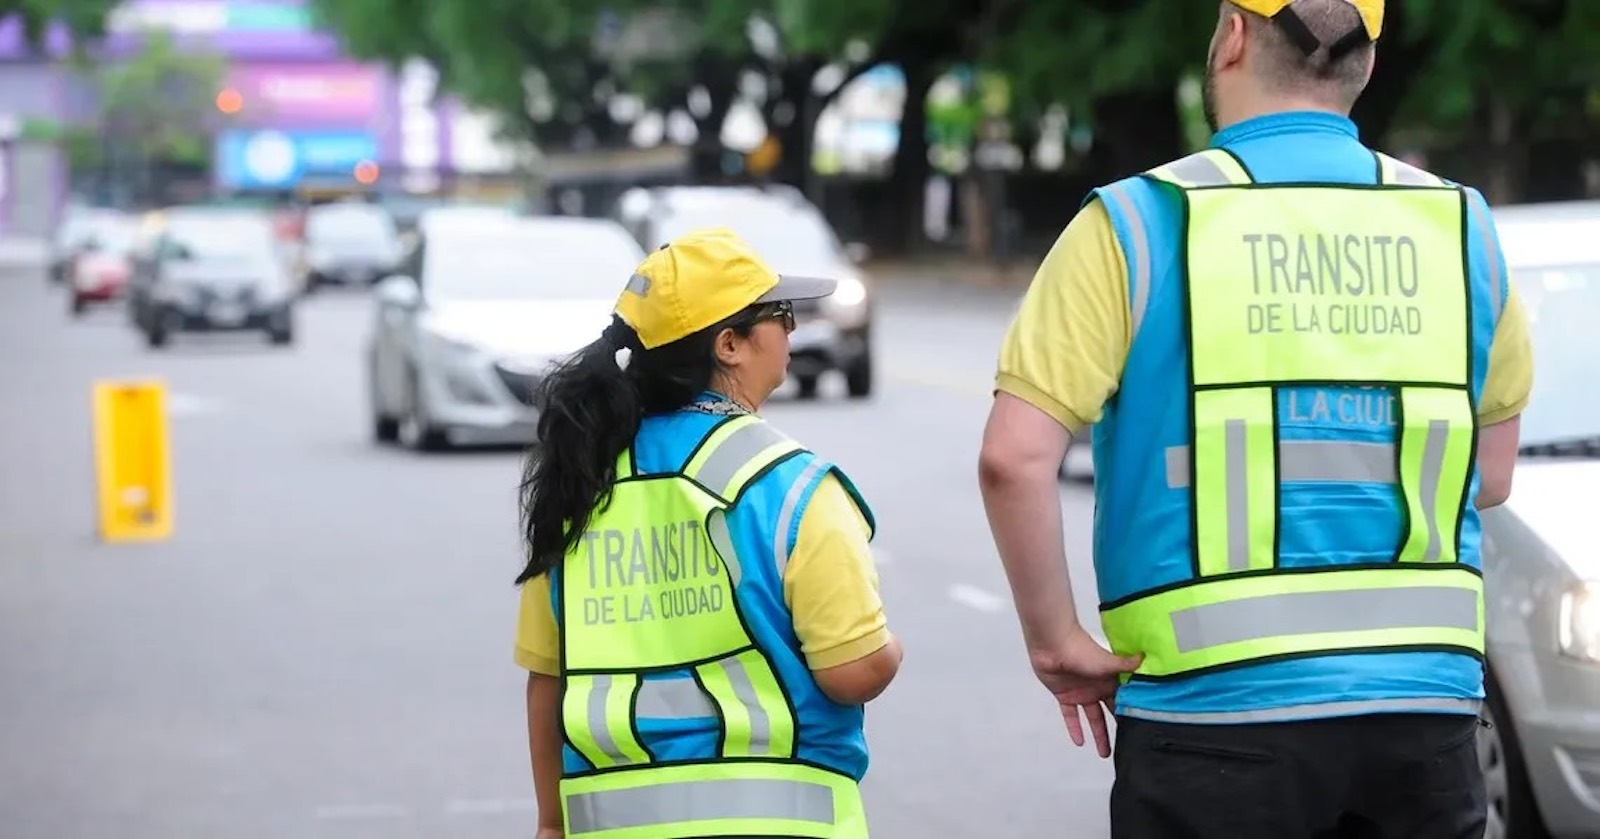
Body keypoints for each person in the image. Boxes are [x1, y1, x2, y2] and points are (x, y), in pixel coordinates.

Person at [977, 1, 1534, 837]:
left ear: (1233, 35)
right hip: (1425, 716)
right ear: (1365, 62)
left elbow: (1013, 458)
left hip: (1212, 715)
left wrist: (1056, 640)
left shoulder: (1135, 223)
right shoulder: (1461, 226)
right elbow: (1489, 477)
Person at [513, 227, 903, 839]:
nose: (792, 331)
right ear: (730, 344)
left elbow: (548, 679)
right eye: (782, 315)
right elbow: (853, 670)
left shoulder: (581, 484)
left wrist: (549, 824)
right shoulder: (791, 485)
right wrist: (890, 650)